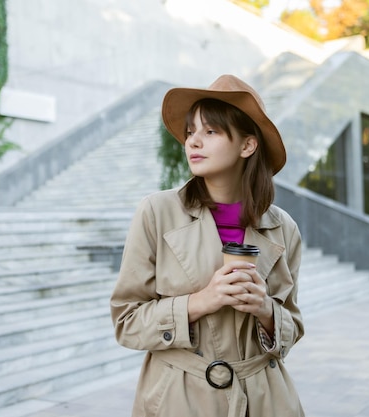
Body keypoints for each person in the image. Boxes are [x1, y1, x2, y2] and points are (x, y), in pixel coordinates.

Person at [110, 74, 304, 417]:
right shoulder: (157, 213)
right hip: (180, 399)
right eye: (190, 132)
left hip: (265, 400)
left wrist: (264, 309)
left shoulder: (283, 227)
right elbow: (127, 322)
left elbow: (293, 327)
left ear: (247, 145)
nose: (193, 142)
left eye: (210, 131)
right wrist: (200, 302)